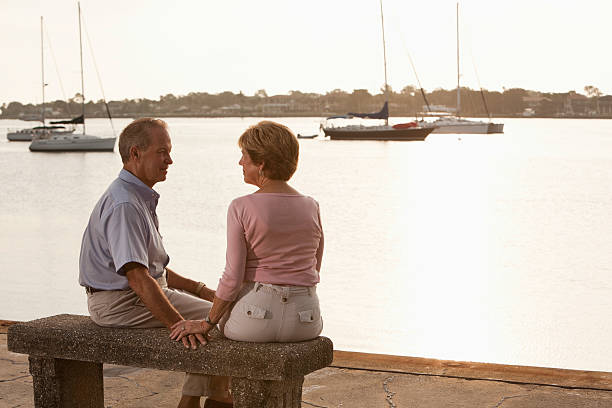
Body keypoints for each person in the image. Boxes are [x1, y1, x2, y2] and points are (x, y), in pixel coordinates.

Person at [78, 118, 232, 408]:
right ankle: (213, 400)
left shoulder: (135, 196)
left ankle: (195, 399)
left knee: (217, 315)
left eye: (169, 152)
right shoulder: (125, 204)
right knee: (226, 321)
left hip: (128, 297)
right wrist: (181, 325)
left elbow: (150, 269)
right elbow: (138, 277)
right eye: (162, 152)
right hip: (121, 303)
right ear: (135, 153)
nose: (170, 160)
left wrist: (200, 289)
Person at [169, 120, 324, 373]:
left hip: (255, 320)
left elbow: (232, 276)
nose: (240, 163)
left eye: (244, 156)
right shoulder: (312, 205)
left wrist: (208, 322)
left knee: (209, 335)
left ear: (261, 163)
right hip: (305, 320)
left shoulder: (241, 206)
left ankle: (216, 398)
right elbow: (314, 267)